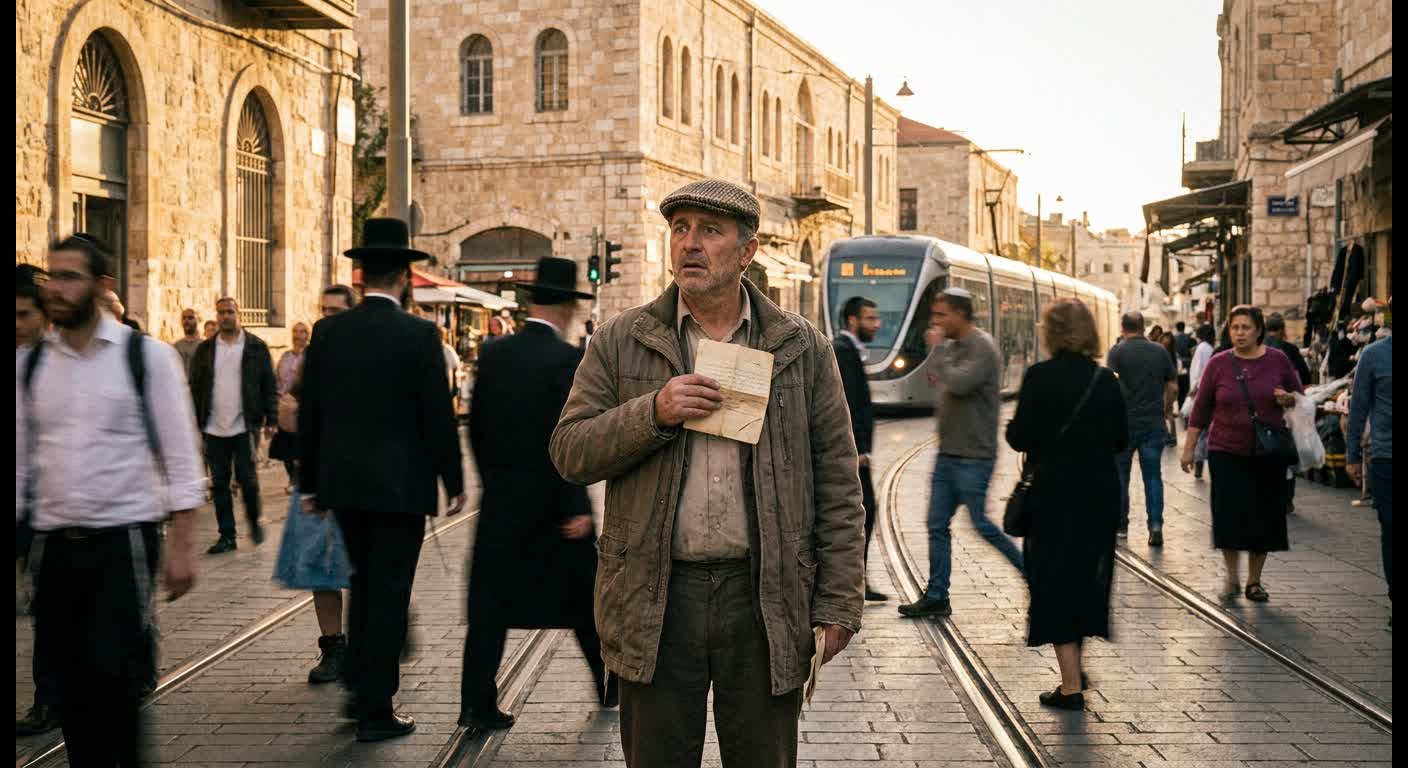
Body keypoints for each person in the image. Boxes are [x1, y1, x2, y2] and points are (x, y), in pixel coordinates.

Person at [549, 179, 864, 766]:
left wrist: (840, 602)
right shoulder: (624, 340)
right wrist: (654, 412)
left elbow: (839, 482)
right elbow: (570, 451)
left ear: (747, 252)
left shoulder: (801, 348)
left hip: (764, 598)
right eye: (679, 229)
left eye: (709, 231)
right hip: (657, 597)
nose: (689, 244)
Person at [17, 234, 203, 766]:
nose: (55, 287)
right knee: (69, 688)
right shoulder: (31, 366)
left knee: (116, 681)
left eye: (70, 276)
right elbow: (20, 465)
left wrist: (184, 545)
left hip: (122, 546)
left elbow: (181, 456)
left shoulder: (146, 359)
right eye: (52, 275)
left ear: (101, 286)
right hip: (52, 549)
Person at [298, 218, 466, 742]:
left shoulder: (329, 332)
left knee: (362, 587)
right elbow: (437, 415)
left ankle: (358, 689)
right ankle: (375, 706)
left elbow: (312, 414)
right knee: (388, 594)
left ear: (361, 272)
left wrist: (309, 484)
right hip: (400, 490)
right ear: (404, 277)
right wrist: (454, 478)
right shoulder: (419, 335)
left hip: (343, 489)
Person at [461, 256, 612, 729]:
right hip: (554, 510)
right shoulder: (567, 361)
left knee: (489, 608)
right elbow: (569, 437)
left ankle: (476, 702)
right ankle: (608, 684)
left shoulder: (494, 355)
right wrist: (576, 505)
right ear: (567, 307)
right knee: (585, 600)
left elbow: (477, 431)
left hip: (503, 506)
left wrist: (495, 483)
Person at [1006, 298, 1126, 711]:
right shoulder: (1106, 380)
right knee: (1085, 582)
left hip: (1052, 500)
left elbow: (1019, 438)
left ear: (1051, 332)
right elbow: (1121, 439)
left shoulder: (1039, 377)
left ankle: (1071, 685)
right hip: (1099, 500)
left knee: (1054, 585)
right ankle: (1075, 673)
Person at [899, 287, 1021, 619]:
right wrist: (940, 358)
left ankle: (1032, 576)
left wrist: (937, 353)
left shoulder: (982, 347)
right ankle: (937, 595)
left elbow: (958, 383)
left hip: (973, 456)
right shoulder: (952, 347)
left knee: (982, 525)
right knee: (936, 524)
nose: (936, 321)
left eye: (942, 314)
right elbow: (938, 381)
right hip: (948, 452)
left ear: (960, 315)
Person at [1181, 305, 1302, 603]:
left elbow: (1299, 395)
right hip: (1226, 450)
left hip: (1267, 452)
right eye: (1235, 328)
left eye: (1246, 327)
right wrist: (1188, 448)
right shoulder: (1219, 363)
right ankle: (1232, 577)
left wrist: (1288, 399)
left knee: (1265, 516)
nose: (1240, 333)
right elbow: (1201, 408)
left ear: (1259, 330)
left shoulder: (1278, 360)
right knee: (1228, 515)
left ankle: (1254, 581)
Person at [277, 286, 358, 686]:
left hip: (360, 478)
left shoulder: (366, 358)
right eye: (322, 311)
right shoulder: (311, 364)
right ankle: (333, 646)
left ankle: (380, 631)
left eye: (336, 311)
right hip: (320, 477)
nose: (326, 319)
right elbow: (293, 413)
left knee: (365, 567)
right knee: (321, 569)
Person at [188, 297, 278, 554]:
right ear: (216, 316)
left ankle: (254, 521)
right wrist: (197, 420)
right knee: (219, 483)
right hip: (214, 426)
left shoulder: (255, 347)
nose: (225, 316)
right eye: (220, 313)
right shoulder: (206, 350)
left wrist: (271, 419)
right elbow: (197, 387)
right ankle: (227, 535)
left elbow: (268, 385)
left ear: (238, 314)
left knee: (248, 479)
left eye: (229, 312)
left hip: (244, 424)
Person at [15, 264, 61, 738]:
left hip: (46, 508)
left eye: (23, 314)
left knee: (49, 609)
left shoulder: (58, 364)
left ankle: (50, 699)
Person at [1107, 311, 1177, 546]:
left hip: (1123, 426)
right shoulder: (1160, 351)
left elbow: (1110, 384)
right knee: (1153, 476)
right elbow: (1173, 387)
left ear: (1123, 327)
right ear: (1143, 327)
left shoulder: (1117, 352)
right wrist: (1166, 410)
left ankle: (1120, 527)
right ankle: (1155, 526)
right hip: (1153, 424)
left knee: (1120, 478)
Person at [835, 295, 887, 602]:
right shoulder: (843, 352)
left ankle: (858, 581)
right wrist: (856, 449)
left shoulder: (850, 351)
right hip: (851, 453)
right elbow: (845, 404)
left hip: (855, 451)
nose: (876, 324)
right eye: (870, 318)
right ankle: (853, 584)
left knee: (863, 513)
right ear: (853, 321)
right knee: (861, 513)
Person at [1345, 313, 1390, 606]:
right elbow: (1358, 408)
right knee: (1391, 527)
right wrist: (1352, 456)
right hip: (1386, 457)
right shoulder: (1374, 356)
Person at [1265, 312, 1313, 515]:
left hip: (1264, 409)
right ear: (1283, 329)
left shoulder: (1258, 349)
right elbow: (1305, 376)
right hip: (1287, 408)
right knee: (1286, 452)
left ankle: (1269, 495)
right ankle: (1287, 499)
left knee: (1267, 452)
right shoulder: (1290, 350)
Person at [269, 322, 309, 493]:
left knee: (300, 448)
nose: (298, 335)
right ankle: (292, 478)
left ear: (307, 335)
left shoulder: (310, 356)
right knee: (285, 449)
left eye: (302, 332)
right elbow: (278, 379)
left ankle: (298, 480)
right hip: (285, 408)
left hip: (303, 407)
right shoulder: (285, 356)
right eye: (295, 331)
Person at [1185, 323, 1217, 479]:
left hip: (1201, 391)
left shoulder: (1202, 348)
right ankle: (1199, 463)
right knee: (1203, 431)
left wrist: (1194, 387)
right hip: (1204, 392)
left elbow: (1198, 370)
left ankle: (1199, 463)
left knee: (1202, 431)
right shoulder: (1207, 348)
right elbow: (1201, 371)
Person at [1157, 331, 1180, 445]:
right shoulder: (1174, 355)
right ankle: (1171, 436)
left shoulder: (1162, 355)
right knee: (1168, 411)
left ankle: (1169, 436)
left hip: (1166, 386)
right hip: (1171, 385)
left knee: (1166, 412)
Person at [1173, 321, 1195, 411]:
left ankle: (1179, 407)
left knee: (1178, 386)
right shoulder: (1189, 339)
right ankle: (1184, 407)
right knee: (1185, 387)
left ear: (1176, 328)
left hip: (1176, 366)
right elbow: (1192, 352)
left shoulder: (1173, 338)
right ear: (1184, 327)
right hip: (1187, 365)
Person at [173, 309, 202, 375]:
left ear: (198, 320)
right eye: (184, 318)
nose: (186, 320)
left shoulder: (204, 345)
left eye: (190, 318)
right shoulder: (176, 346)